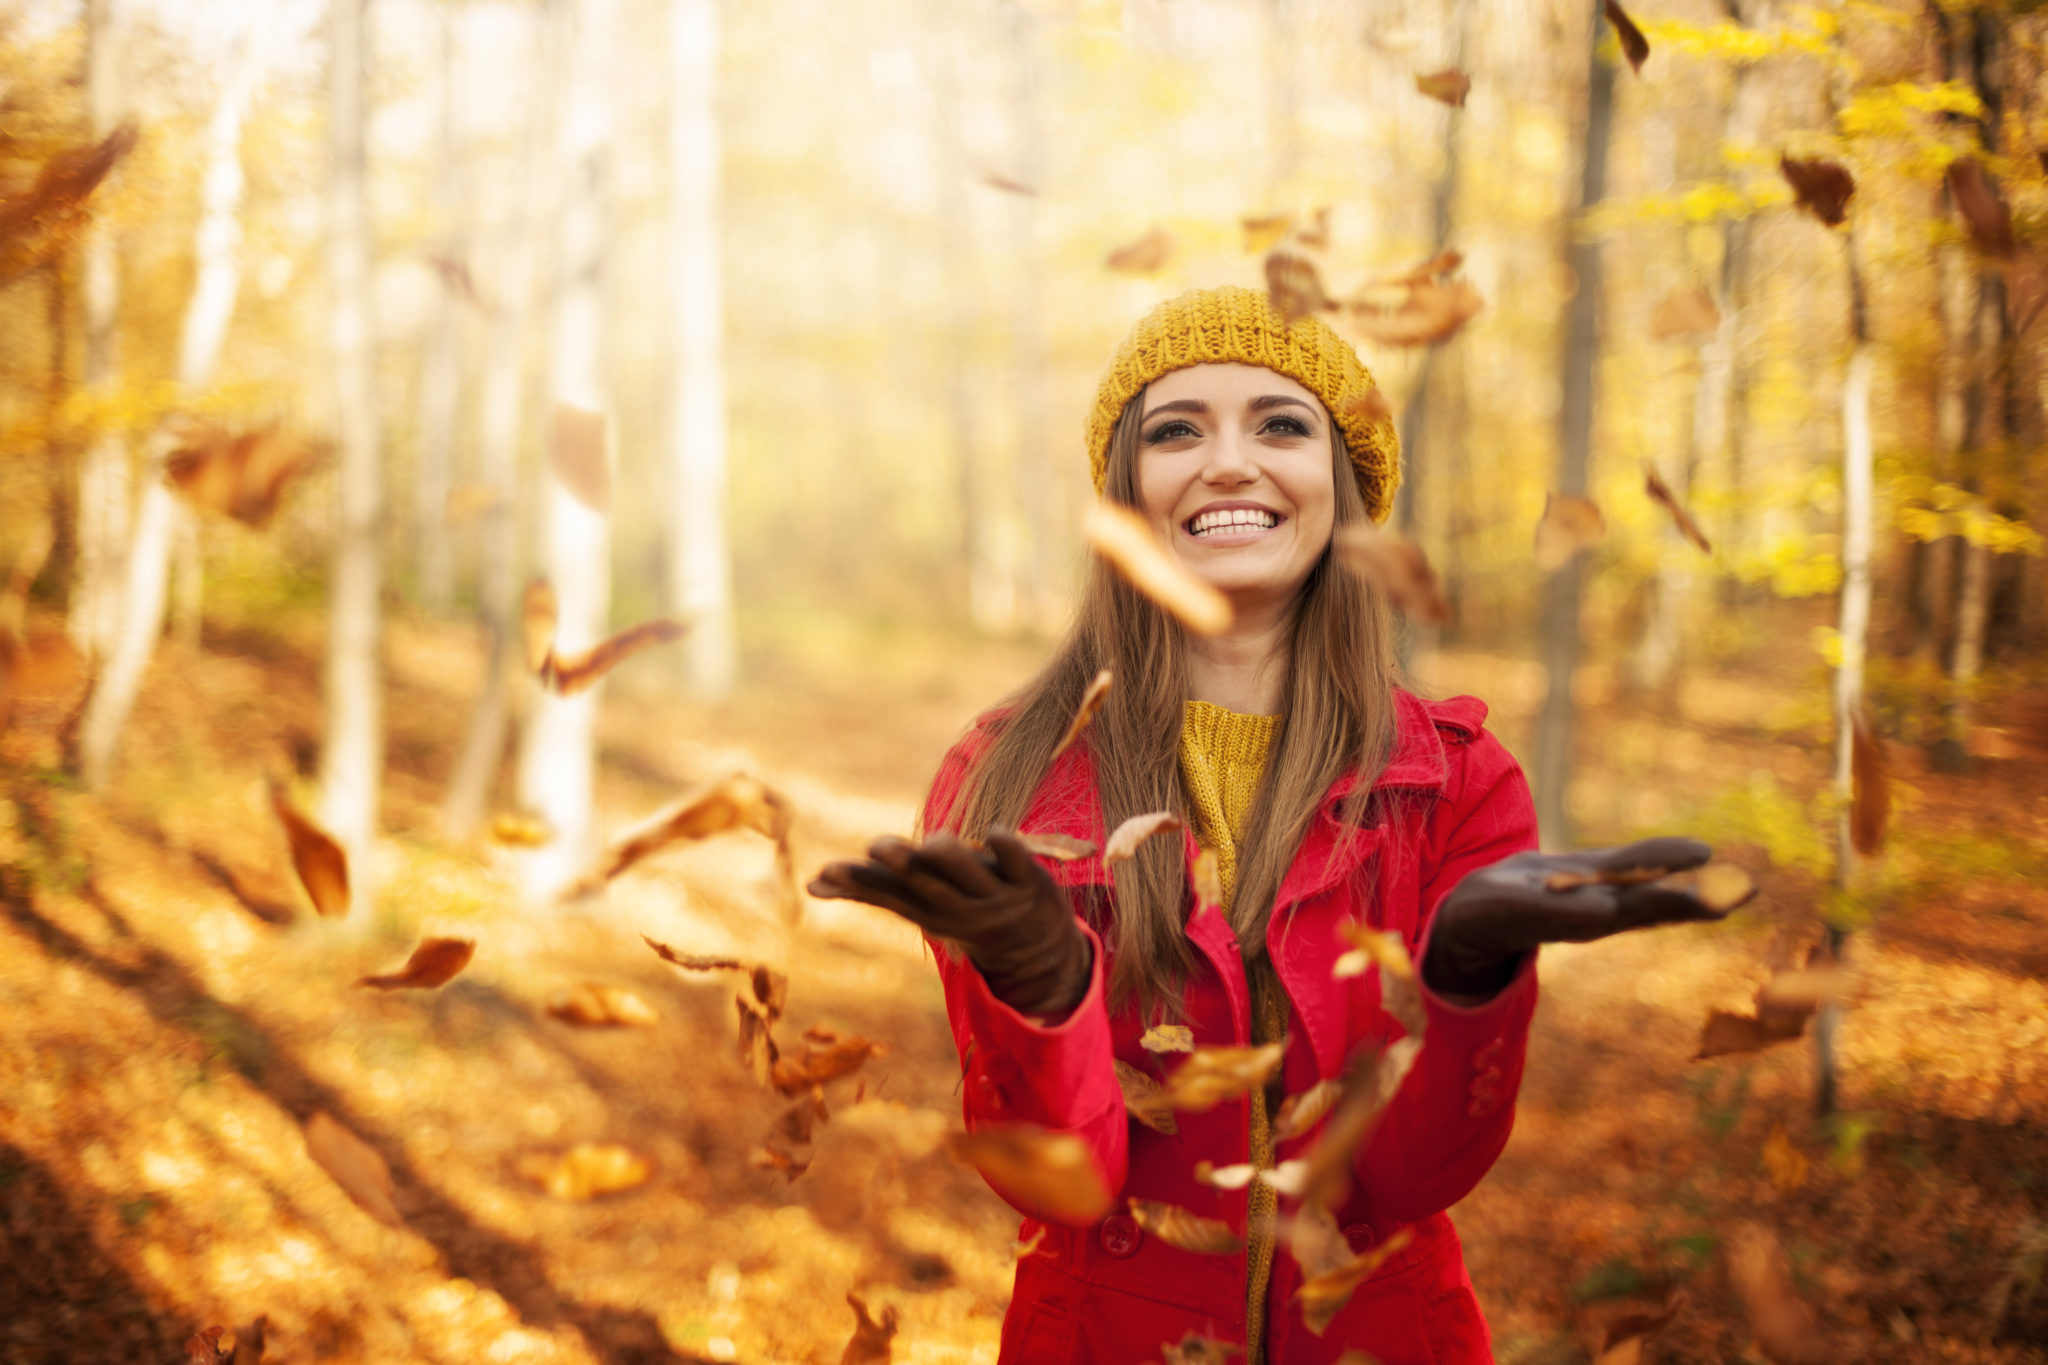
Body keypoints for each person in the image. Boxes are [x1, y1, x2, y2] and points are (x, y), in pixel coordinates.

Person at [809, 285, 1732, 1364]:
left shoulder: (1456, 782)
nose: (1228, 463)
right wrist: (1038, 990)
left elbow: (1408, 1182)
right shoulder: (1006, 777)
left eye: (1279, 425)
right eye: (1175, 431)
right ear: (1129, 489)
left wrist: (1469, 981)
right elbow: (1062, 1185)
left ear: (1341, 483)